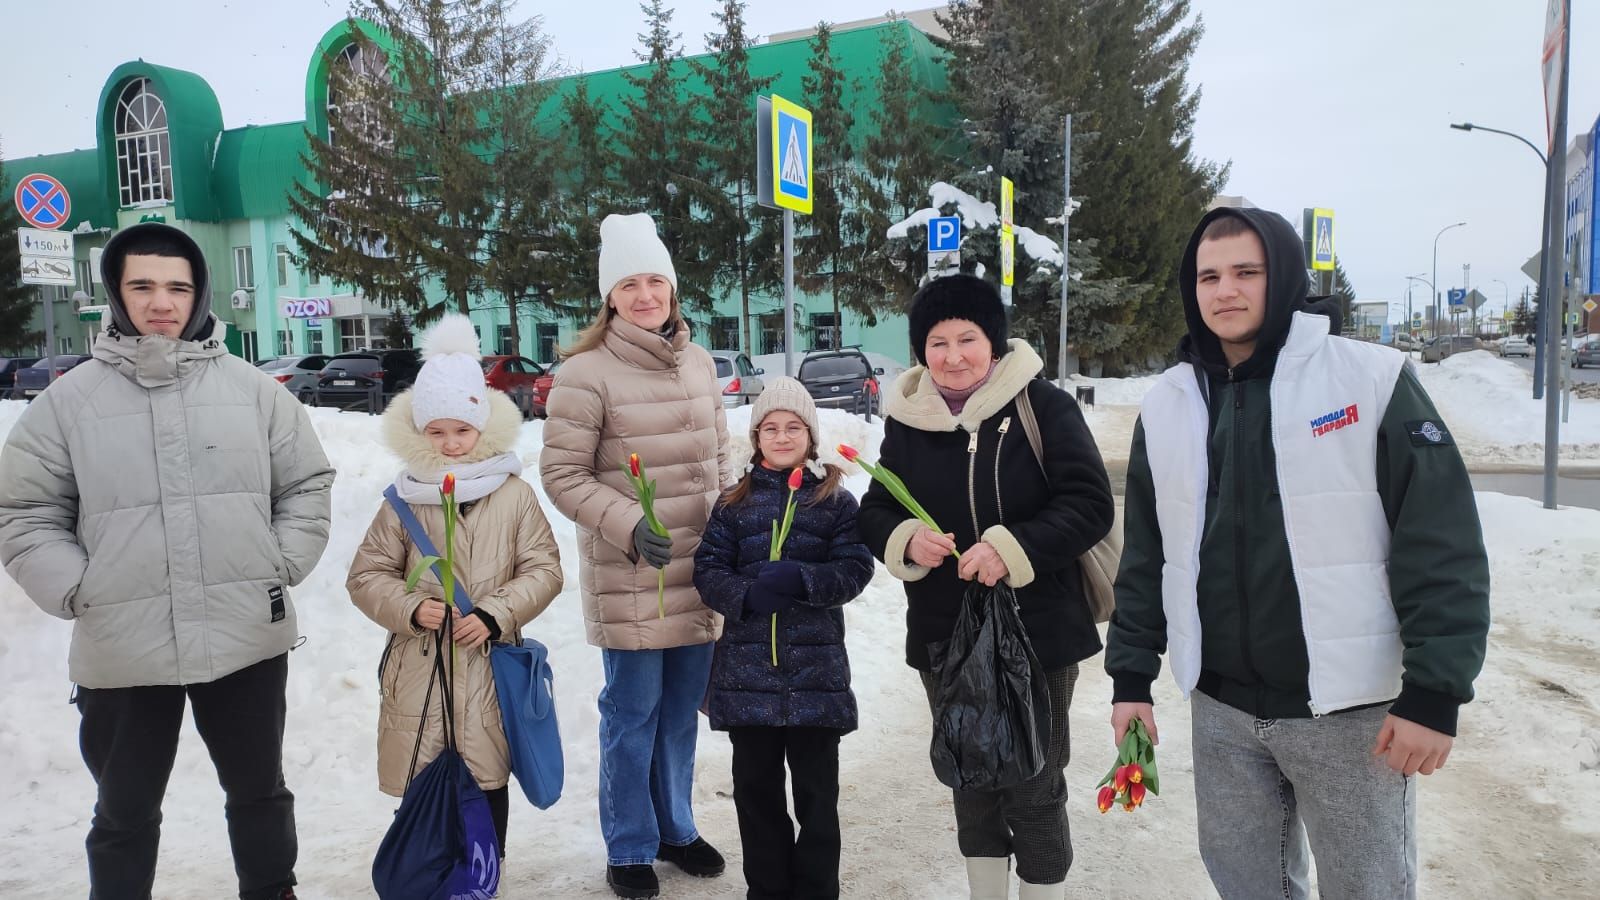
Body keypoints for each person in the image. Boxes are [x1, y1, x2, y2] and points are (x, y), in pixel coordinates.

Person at [1104, 208, 1491, 900]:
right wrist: (1131, 677)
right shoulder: (1169, 402)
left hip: (1348, 712)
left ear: (1281, 277)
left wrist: (1435, 692)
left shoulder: (1369, 380)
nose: (1226, 291)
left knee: (1367, 889)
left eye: (1246, 273)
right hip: (1221, 708)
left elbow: (1440, 540)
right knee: (1249, 887)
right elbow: (1148, 554)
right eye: (1209, 276)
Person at [0, 222, 334, 900]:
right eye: (143, 285)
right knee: (123, 811)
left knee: (259, 794)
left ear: (199, 293)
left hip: (244, 634)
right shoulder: (67, 403)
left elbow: (305, 485)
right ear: (116, 295)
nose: (162, 302)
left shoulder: (258, 393)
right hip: (123, 643)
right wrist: (78, 589)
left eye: (178, 286)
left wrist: (278, 564)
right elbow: (24, 510)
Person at [857, 274, 1114, 900]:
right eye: (937, 342)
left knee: (1034, 782)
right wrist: (906, 539)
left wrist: (1009, 548)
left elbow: (1089, 504)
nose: (952, 356)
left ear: (992, 344)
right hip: (946, 633)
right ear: (921, 350)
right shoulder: (909, 419)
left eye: (966, 339)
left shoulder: (1041, 406)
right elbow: (875, 510)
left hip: (1038, 632)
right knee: (970, 781)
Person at [540, 212, 734, 899]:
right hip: (634, 574)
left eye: (656, 280)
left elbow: (720, 456)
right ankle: (628, 844)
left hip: (700, 572)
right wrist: (625, 523)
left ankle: (676, 828)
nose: (646, 294)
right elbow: (562, 476)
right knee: (633, 715)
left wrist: (734, 528)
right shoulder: (586, 373)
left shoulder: (702, 361)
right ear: (610, 296)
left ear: (672, 289)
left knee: (682, 713)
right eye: (631, 283)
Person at [346, 313, 564, 870]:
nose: (450, 444)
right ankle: (426, 870)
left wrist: (494, 614)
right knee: (424, 785)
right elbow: (367, 575)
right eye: (436, 432)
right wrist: (412, 606)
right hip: (418, 669)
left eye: (461, 431)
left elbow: (544, 568)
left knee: (486, 780)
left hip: (486, 669)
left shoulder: (513, 495)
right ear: (417, 432)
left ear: (483, 428)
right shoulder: (403, 500)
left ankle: (484, 874)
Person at [693, 378, 875, 900]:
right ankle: (767, 890)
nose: (780, 435)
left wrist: (806, 581)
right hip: (749, 679)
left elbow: (856, 568)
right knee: (757, 796)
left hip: (815, 679)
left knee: (818, 798)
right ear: (755, 437)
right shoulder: (733, 503)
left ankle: (817, 890)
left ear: (810, 435)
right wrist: (746, 596)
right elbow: (707, 569)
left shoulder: (834, 500)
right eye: (769, 427)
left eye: (792, 426)